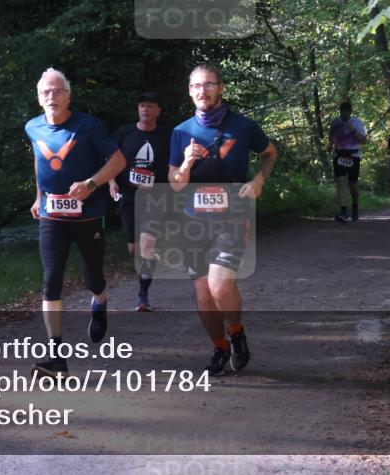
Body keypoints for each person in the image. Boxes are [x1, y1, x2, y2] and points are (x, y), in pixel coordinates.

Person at [168, 64, 277, 376]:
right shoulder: (181, 132)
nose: (203, 91)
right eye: (197, 86)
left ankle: (237, 330)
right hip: (193, 222)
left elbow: (270, 153)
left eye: (209, 85)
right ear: (190, 92)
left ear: (221, 88)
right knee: (202, 293)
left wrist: (258, 181)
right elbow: (175, 182)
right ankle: (219, 346)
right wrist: (187, 163)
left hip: (231, 217)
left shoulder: (243, 127)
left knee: (219, 284)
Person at [25, 68, 126, 376]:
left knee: (92, 278)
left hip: (88, 215)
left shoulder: (88, 126)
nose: (51, 97)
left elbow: (119, 160)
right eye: (46, 92)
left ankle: (100, 299)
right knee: (50, 281)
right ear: (39, 98)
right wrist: (38, 195)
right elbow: (40, 161)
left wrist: (91, 185)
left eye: (57, 91)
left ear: (68, 95)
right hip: (52, 215)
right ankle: (57, 358)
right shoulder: (33, 127)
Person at [109, 92, 170, 312]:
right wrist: (111, 182)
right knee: (135, 248)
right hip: (130, 196)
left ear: (158, 111)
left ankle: (142, 296)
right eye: (142, 105)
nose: (146, 110)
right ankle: (150, 260)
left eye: (151, 106)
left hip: (156, 198)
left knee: (147, 244)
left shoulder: (167, 135)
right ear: (138, 109)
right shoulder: (125, 134)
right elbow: (111, 160)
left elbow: (175, 165)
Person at [328, 100, 368, 223]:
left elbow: (363, 140)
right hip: (339, 155)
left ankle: (355, 204)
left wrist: (352, 129)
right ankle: (343, 211)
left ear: (350, 111)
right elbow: (331, 137)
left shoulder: (356, 122)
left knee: (353, 184)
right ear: (340, 111)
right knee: (341, 182)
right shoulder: (335, 122)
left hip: (353, 156)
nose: (344, 113)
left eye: (347, 111)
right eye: (342, 111)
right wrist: (330, 145)